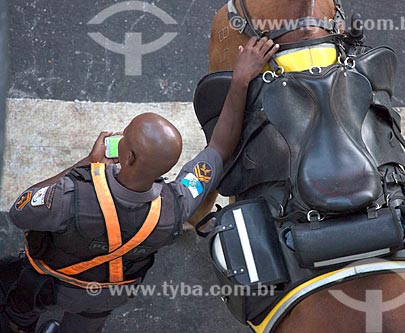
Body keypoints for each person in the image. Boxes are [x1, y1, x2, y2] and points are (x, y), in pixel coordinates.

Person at [2, 37, 279, 333]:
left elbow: (21, 209)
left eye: (125, 136)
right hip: (109, 295)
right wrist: (239, 80)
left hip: (50, 285)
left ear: (128, 156)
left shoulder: (69, 196)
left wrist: (84, 164)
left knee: (18, 304)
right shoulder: (178, 203)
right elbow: (220, 148)